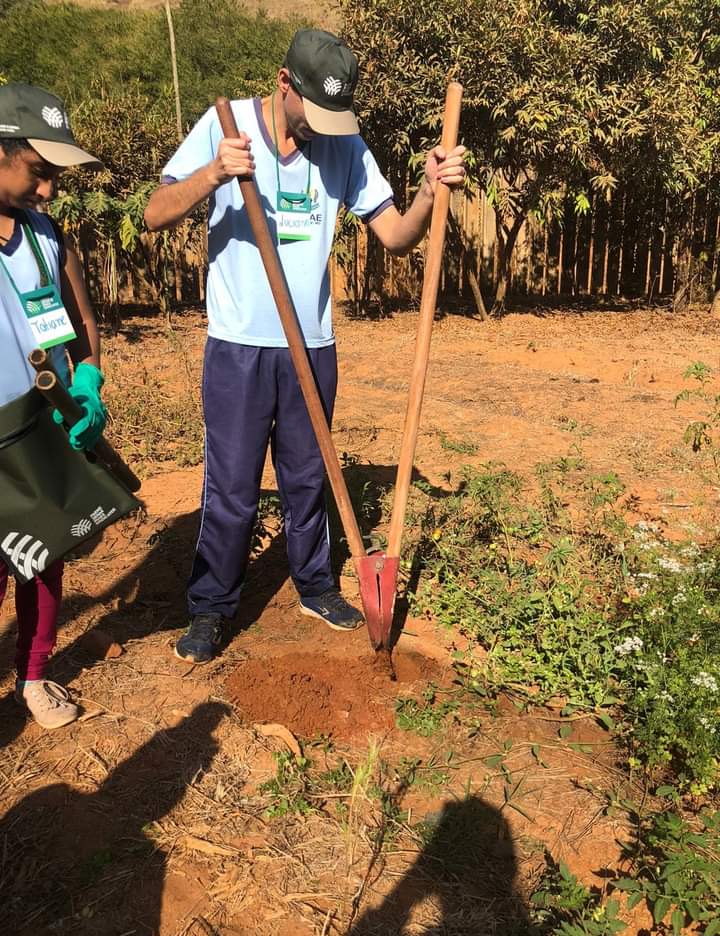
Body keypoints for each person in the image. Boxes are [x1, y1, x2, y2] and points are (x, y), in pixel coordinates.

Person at [144, 28, 466, 664]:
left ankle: (316, 585)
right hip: (239, 346)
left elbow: (396, 235)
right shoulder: (226, 124)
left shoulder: (342, 144)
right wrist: (214, 173)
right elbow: (156, 212)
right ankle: (211, 605)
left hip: (311, 345)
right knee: (232, 486)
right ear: (284, 84)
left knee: (308, 480)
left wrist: (430, 191)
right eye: (313, 112)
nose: (322, 127)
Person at [0, 82, 107, 728]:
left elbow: (84, 326)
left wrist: (89, 381)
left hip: (40, 432)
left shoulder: (47, 240)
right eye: (39, 174)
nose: (47, 192)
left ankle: (34, 674)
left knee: (41, 565)